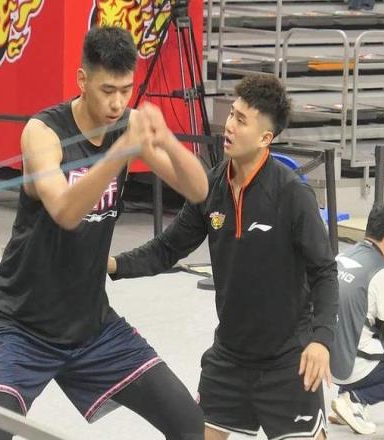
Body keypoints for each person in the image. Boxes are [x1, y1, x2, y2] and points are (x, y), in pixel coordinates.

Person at [0, 26, 208, 440]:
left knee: (189, 424)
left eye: (126, 90)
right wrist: (121, 151)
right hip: (21, 326)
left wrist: (166, 139)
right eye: (107, 90)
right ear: (82, 80)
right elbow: (65, 211)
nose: (117, 103)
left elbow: (199, 189)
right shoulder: (43, 133)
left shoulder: (128, 125)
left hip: (92, 327)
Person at [108, 74, 339, 440]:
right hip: (229, 358)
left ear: (265, 138)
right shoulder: (211, 186)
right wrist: (113, 265)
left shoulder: (292, 194)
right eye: (231, 114)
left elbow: (324, 271)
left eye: (241, 120)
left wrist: (321, 340)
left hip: (286, 362)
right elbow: (168, 247)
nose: (229, 125)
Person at [328, 200, 384, 435]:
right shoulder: (383, 272)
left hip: (325, 361)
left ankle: (342, 402)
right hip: (350, 368)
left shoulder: (344, 255)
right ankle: (355, 400)